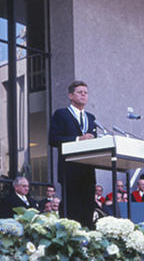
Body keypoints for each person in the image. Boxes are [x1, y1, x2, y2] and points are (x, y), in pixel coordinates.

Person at [48, 80, 97, 227]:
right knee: (72, 210)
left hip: (88, 170)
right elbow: (53, 139)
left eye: (86, 93)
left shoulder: (91, 118)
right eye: (79, 92)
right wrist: (77, 139)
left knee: (88, 210)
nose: (83, 95)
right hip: (69, 170)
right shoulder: (61, 114)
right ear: (70, 96)